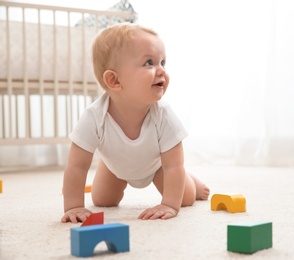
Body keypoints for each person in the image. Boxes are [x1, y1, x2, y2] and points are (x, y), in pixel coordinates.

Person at [61, 23, 210, 223]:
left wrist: (168, 205)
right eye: (149, 63)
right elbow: (76, 166)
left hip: (158, 167)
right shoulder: (94, 116)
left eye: (162, 63)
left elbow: (174, 165)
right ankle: (110, 164)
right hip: (115, 167)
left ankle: (192, 180)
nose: (161, 71)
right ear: (114, 80)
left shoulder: (163, 115)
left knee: (185, 198)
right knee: (102, 200)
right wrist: (74, 206)